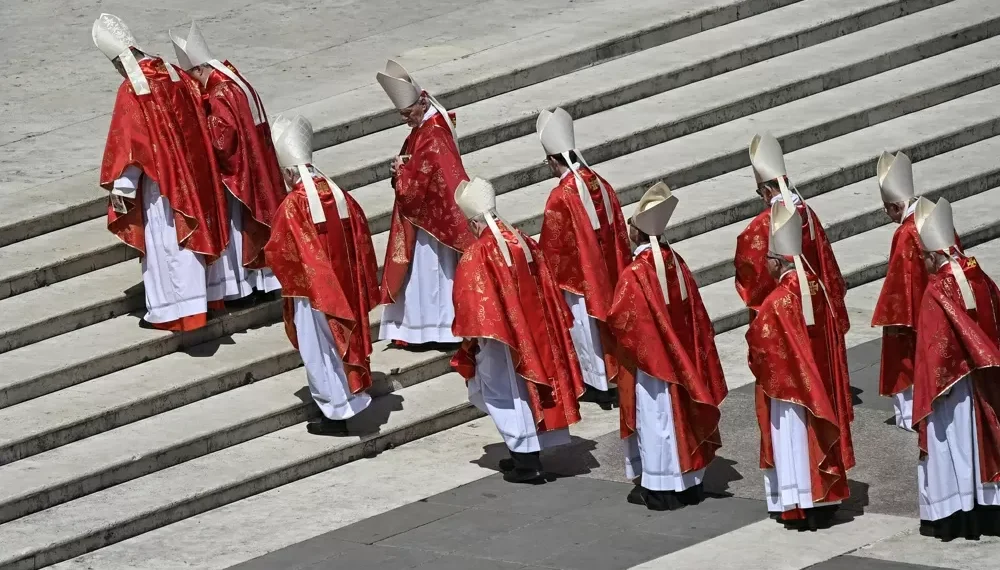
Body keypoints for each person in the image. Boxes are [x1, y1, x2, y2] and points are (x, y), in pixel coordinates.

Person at [93, 13, 227, 331]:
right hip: (191, 174)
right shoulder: (172, 72)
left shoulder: (133, 90)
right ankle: (200, 302)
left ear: (120, 60)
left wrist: (123, 188)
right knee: (187, 240)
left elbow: (131, 145)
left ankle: (173, 312)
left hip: (160, 184)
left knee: (167, 245)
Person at [451, 177, 585, 484]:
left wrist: (470, 342)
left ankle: (527, 461)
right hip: (534, 333)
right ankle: (523, 454)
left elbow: (471, 302)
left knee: (504, 394)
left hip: (500, 340)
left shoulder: (478, 253)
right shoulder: (522, 239)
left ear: (473, 222)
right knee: (527, 391)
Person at [607, 182, 727, 511]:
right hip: (680, 361)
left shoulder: (636, 273)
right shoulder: (676, 262)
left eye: (631, 224)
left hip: (652, 367)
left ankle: (661, 489)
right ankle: (689, 484)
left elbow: (621, 319)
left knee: (657, 421)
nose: (628, 229)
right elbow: (695, 314)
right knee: (679, 419)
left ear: (638, 232)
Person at [264, 115, 379, 436]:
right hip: (344, 286)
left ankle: (335, 413)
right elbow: (361, 235)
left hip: (313, 293)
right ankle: (345, 402)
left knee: (319, 349)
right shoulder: (340, 194)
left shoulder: (293, 206)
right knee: (340, 344)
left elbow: (281, 250)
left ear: (289, 172)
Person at [746, 200, 855, 530]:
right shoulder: (816, 287)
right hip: (819, 384)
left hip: (791, 391)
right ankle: (824, 499)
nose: (764, 266)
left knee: (793, 440)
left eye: (767, 260)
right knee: (815, 439)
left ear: (778, 262)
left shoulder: (776, 300)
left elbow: (761, 347)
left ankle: (800, 503)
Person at [171, 21, 284, 308]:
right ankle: (268, 281)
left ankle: (240, 287)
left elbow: (224, 141)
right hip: (260, 161)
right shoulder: (234, 77)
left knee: (238, 225)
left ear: (198, 69)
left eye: (190, 76)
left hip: (239, 173)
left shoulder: (219, 93)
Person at [911, 197, 1000, 541]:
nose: (924, 262)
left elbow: (935, 349)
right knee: (980, 447)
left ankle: (951, 515)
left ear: (935, 255)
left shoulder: (936, 289)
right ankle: (985, 510)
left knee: (951, 447)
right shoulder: (977, 272)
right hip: (982, 382)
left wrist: (931, 389)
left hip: (949, 388)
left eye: (924, 257)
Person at [537, 107, 632, 409]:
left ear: (554, 160)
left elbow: (554, 243)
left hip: (579, 277)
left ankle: (598, 385)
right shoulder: (600, 183)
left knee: (585, 331)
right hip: (608, 267)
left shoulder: (561, 195)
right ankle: (614, 379)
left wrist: (547, 274)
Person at [375, 60, 473, 348]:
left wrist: (402, 172)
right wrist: (402, 168)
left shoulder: (433, 133)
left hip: (432, 225)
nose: (406, 119)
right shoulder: (429, 125)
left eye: (407, 113)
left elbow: (428, 180)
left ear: (421, 103)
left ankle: (433, 329)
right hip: (429, 218)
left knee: (431, 276)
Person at [735, 133, 849, 335]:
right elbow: (826, 258)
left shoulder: (765, 222)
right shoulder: (807, 212)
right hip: (816, 295)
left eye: (760, 193)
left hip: (784, 302)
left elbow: (748, 264)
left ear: (768, 191)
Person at [870, 151, 928, 431]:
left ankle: (909, 415)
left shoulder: (904, 234)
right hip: (934, 306)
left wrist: (887, 314)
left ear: (895, 206)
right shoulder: (931, 217)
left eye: (886, 208)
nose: (886, 214)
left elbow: (899, 280)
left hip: (910, 312)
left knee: (904, 358)